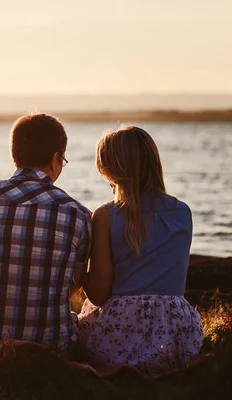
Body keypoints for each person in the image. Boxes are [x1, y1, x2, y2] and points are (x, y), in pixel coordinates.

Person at [0, 113, 92, 360]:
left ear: (15, 155)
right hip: (52, 351)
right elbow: (74, 283)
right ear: (56, 159)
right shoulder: (76, 213)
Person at [78, 126, 203, 374]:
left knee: (76, 325)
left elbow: (98, 296)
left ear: (109, 171)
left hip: (117, 340)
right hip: (178, 339)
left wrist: (80, 269)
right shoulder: (183, 212)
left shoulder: (106, 215)